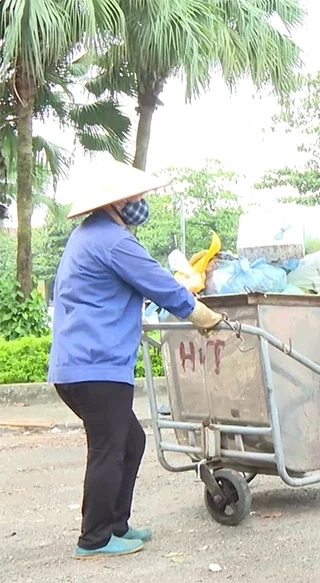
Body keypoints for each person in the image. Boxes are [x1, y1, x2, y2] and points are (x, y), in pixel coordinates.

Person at [48, 158, 225, 559]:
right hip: (97, 367)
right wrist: (201, 314)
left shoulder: (86, 237)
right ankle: (94, 539)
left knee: (131, 440)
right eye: (135, 196)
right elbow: (159, 283)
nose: (140, 202)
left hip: (78, 365)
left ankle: (116, 525)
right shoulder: (113, 241)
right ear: (117, 201)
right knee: (110, 447)